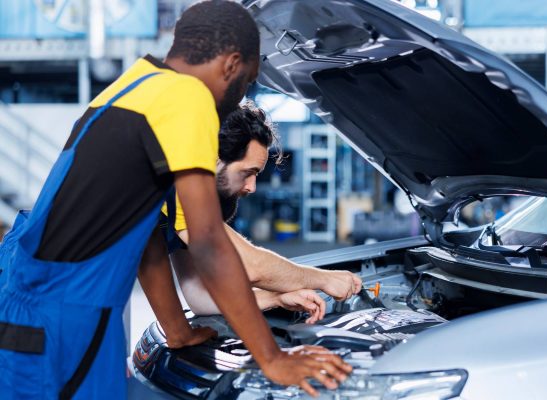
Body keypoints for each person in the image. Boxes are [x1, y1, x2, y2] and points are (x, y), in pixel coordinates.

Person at [0, 1, 349, 398]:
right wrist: (273, 359)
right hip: (65, 314)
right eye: (247, 80)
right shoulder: (189, 100)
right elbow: (208, 246)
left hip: (34, 301)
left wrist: (178, 332)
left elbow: (145, 238)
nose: (239, 96)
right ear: (231, 65)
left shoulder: (139, 83)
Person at [167, 101, 362, 324]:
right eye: (247, 172)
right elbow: (251, 267)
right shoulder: (180, 184)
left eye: (256, 175)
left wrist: (276, 298)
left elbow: (200, 297)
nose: (252, 187)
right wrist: (324, 279)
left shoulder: (178, 213)